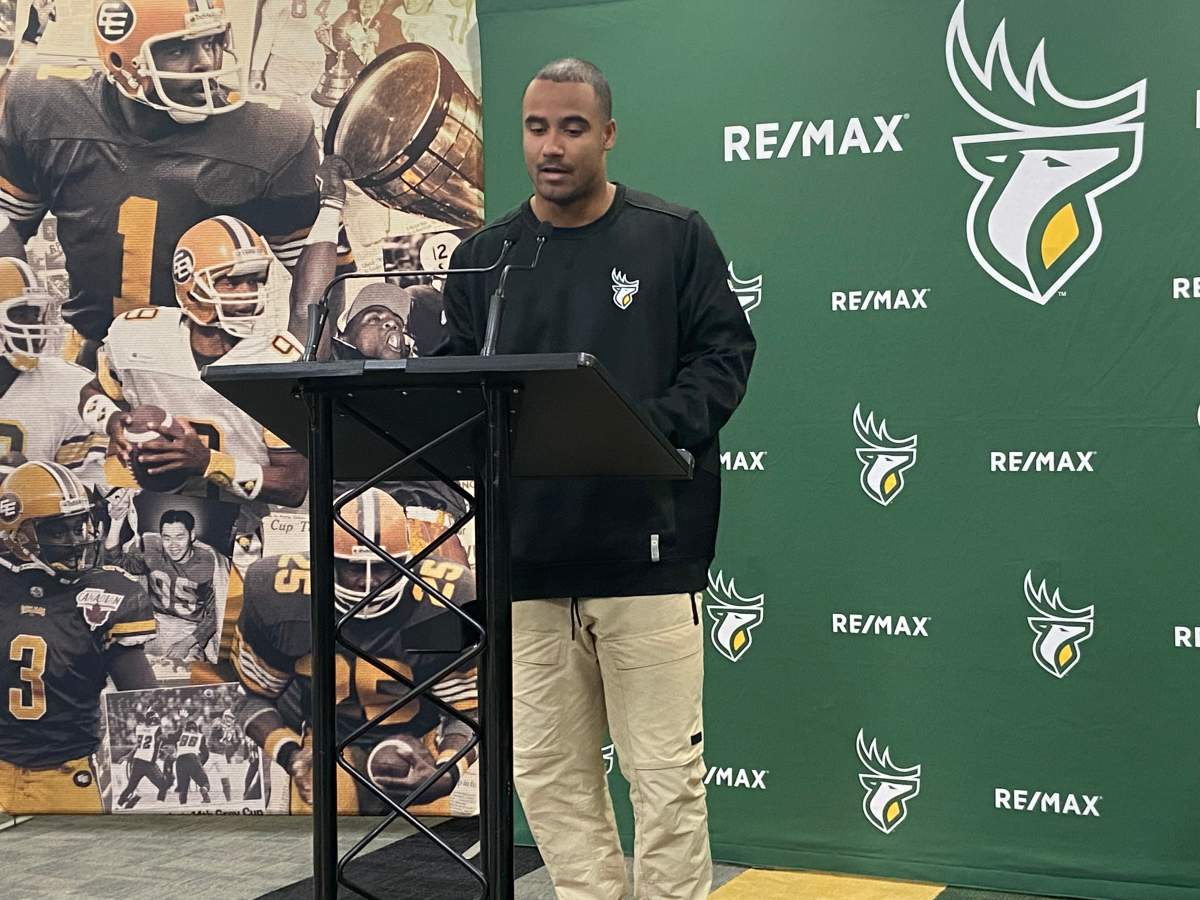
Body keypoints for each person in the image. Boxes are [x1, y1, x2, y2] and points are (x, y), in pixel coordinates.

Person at [438, 58, 755, 899]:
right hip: (527, 566)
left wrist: (639, 432)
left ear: (607, 134)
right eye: (538, 126)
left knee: (664, 778)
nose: (553, 145)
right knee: (547, 777)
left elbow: (724, 360)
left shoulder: (673, 235)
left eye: (573, 127)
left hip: (647, 559)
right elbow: (449, 384)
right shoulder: (485, 258)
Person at [0, 0, 350, 346]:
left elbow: (323, 277)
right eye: (179, 50)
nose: (205, 63)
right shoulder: (44, 102)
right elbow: (8, 223)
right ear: (124, 60)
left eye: (212, 42)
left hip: (209, 360)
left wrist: (300, 365)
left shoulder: (270, 132)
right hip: (95, 350)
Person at [232, 488, 477, 815]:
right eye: (353, 567)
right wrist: (292, 756)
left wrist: (447, 771)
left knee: (423, 848)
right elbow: (254, 700)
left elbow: (468, 710)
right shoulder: (275, 591)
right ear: (326, 562)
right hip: (323, 747)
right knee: (322, 835)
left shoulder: (446, 596)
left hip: (418, 745)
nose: (368, 584)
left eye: (382, 567)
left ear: (408, 561)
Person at [78, 216, 309, 526]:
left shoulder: (278, 361)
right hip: (153, 519)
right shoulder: (139, 336)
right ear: (191, 282)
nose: (247, 292)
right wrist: (113, 421)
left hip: (250, 528)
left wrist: (207, 463)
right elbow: (91, 393)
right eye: (231, 280)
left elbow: (293, 485)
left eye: (255, 279)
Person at [0, 460, 157, 815]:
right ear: (16, 534)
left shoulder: (106, 591)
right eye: (58, 531)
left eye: (79, 526)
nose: (75, 541)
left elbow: (143, 697)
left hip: (64, 774)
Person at [0, 258, 107, 485]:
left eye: (35, 314)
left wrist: (33, 484)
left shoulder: (72, 388)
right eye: (19, 315)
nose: (35, 325)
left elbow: (96, 494)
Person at [106, 507, 230, 664]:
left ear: (192, 536)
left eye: (179, 537)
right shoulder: (153, 552)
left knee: (182, 673)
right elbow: (117, 563)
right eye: (167, 538)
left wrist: (188, 642)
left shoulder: (208, 562)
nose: (173, 545)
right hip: (154, 622)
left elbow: (216, 614)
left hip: (189, 628)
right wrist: (116, 523)